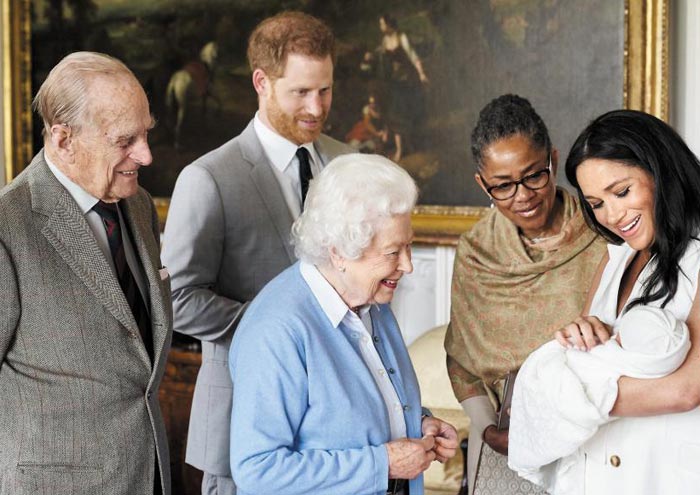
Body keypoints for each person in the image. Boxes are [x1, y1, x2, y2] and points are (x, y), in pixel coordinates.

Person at [161, 11, 352, 494]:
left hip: (339, 431)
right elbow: (178, 299)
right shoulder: (207, 179)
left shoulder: (349, 163)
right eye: (301, 92)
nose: (316, 107)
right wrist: (277, 328)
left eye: (325, 90)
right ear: (261, 82)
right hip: (243, 423)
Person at [229, 153, 459, 495]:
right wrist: (383, 465)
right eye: (393, 252)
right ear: (339, 252)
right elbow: (258, 470)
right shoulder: (277, 330)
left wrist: (418, 423)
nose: (408, 265)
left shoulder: (371, 300)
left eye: (409, 247)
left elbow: (351, 415)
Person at [0, 52, 172, 494]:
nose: (145, 155)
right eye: (125, 140)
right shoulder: (8, 225)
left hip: (147, 475)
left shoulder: (138, 206)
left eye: (146, 134)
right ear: (63, 139)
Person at [443, 94, 606, 495]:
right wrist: (487, 430)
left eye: (534, 175)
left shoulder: (603, 232)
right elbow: (462, 361)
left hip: (597, 431)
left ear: (552, 159)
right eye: (503, 185)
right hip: (508, 440)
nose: (523, 195)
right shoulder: (477, 254)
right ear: (483, 184)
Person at [544, 109, 700, 494]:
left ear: (659, 171)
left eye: (622, 191)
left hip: (662, 477)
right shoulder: (615, 259)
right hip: (593, 474)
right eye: (596, 204)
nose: (612, 215)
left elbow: (686, 390)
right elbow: (576, 358)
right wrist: (578, 335)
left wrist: (569, 394)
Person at [509, 305, 689, 494]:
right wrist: (584, 332)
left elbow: (684, 393)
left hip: (641, 464)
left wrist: (551, 402)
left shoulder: (617, 365)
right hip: (587, 460)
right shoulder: (608, 275)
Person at [373, 13, 429, 162]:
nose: (381, 27)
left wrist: (422, 74)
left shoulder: (401, 37)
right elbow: (383, 63)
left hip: (408, 81)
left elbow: (413, 56)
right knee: (395, 115)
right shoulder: (385, 41)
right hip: (394, 83)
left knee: (407, 113)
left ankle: (409, 146)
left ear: (389, 25)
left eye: (382, 24)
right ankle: (400, 149)